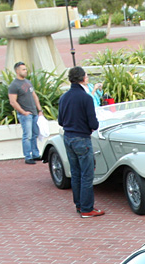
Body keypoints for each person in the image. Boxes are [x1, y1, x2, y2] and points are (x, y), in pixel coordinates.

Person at [58, 67, 103, 217]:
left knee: (75, 173)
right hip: (82, 139)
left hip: (68, 137)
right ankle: (87, 208)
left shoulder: (64, 97)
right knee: (87, 174)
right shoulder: (86, 98)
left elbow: (60, 121)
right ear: (83, 78)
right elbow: (93, 123)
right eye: (86, 76)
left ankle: (79, 205)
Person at [8, 61, 42, 165]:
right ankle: (28, 156)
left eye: (25, 69)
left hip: (34, 113)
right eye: (23, 69)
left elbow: (34, 96)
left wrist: (39, 110)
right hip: (25, 115)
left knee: (35, 133)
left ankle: (35, 154)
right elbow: (12, 101)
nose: (25, 71)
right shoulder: (14, 85)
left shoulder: (28, 82)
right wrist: (23, 112)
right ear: (17, 71)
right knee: (27, 135)